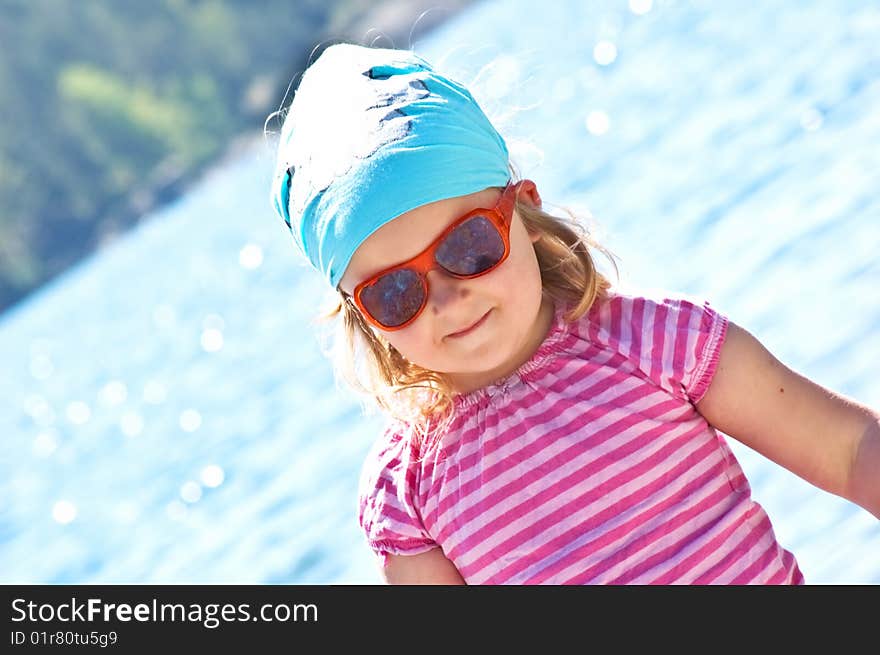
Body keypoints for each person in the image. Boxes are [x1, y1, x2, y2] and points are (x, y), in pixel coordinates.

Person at [269, 42, 879, 584]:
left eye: (469, 246)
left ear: (526, 214)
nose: (449, 297)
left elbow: (850, 454)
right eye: (395, 292)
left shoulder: (655, 344)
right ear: (362, 317)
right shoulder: (408, 494)